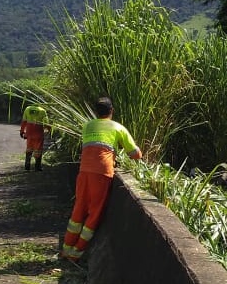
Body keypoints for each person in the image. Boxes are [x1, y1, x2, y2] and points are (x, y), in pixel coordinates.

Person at [62, 96, 142, 261]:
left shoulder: (87, 126)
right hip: (102, 173)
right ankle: (76, 253)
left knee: (79, 208)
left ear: (96, 112)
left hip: (84, 171)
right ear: (111, 111)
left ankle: (66, 249)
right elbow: (136, 154)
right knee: (95, 213)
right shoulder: (118, 127)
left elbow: (95, 147)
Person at [20, 104, 49, 171]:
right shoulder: (42, 111)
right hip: (39, 134)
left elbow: (24, 121)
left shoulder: (27, 108)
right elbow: (47, 124)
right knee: (38, 150)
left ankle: (27, 167)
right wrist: (48, 131)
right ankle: (37, 167)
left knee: (29, 149)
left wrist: (22, 131)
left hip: (29, 134)